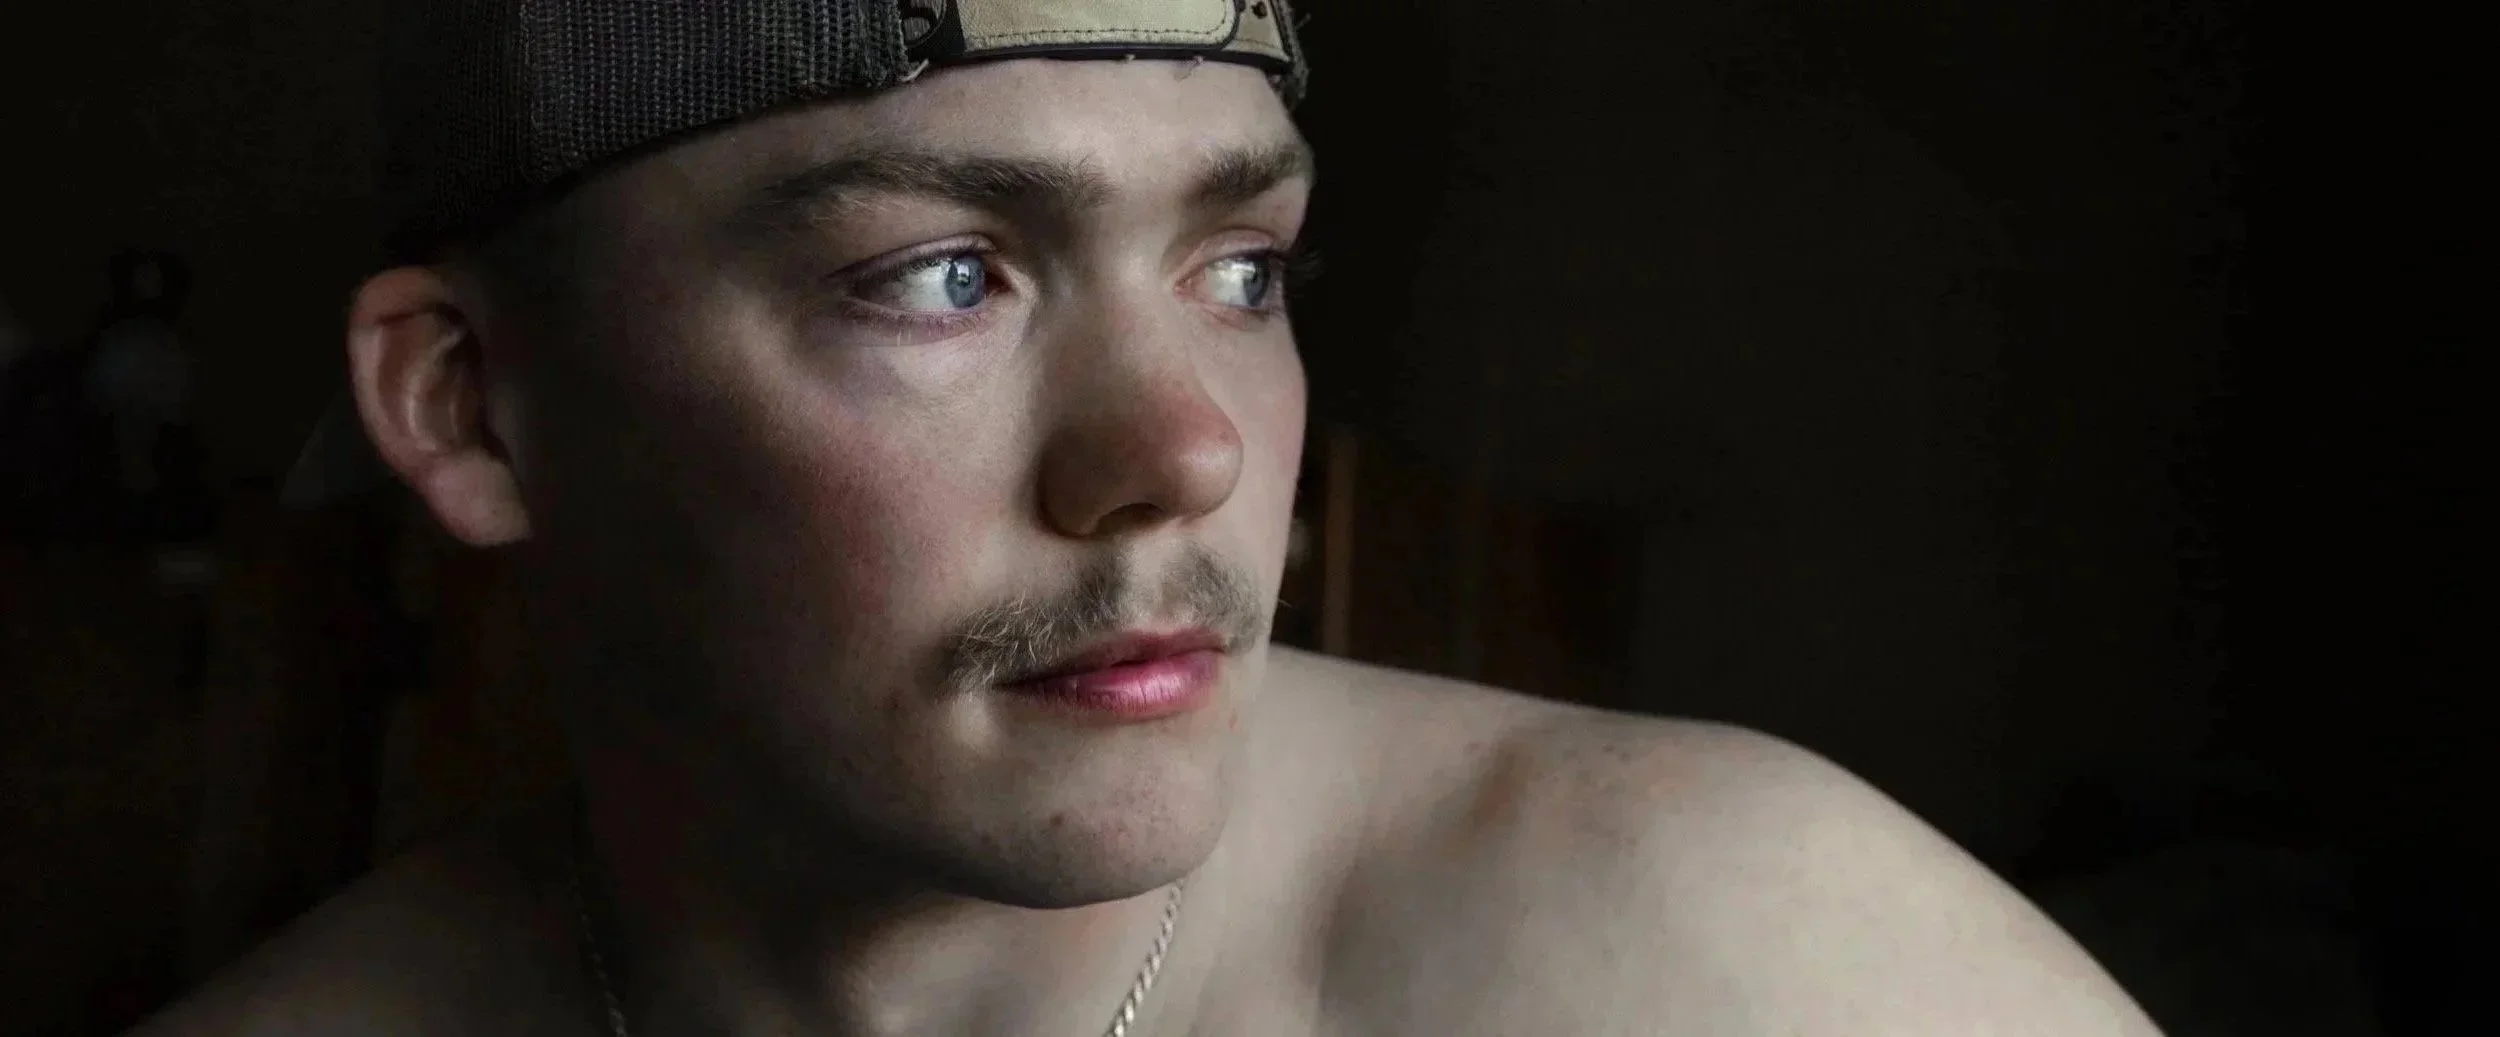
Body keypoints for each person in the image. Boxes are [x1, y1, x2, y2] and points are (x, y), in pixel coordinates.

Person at [138, 1, 2161, 1034]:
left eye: (1239, 266)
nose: (1185, 451)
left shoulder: (1744, 959)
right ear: (469, 406)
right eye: (942, 276)